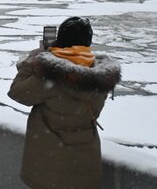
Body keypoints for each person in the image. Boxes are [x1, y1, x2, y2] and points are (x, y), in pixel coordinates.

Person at [8, 16, 121, 189]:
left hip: (49, 168)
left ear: (60, 39)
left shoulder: (51, 77)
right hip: (86, 165)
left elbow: (17, 92)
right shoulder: (100, 76)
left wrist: (34, 61)